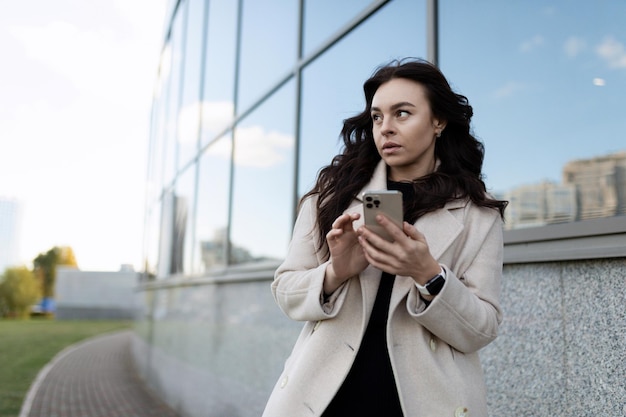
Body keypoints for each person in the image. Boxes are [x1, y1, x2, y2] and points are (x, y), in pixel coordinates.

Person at [262, 58, 507, 417]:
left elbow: (481, 329)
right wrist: (336, 272)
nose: (385, 128)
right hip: (323, 398)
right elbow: (286, 291)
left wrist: (430, 276)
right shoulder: (330, 196)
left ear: (438, 121)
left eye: (402, 113)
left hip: (424, 403)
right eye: (377, 117)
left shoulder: (478, 215)